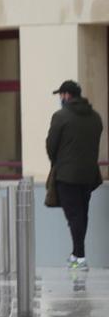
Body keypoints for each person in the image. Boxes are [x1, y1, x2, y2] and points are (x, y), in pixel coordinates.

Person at [47, 79, 105, 269]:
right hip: (89, 174)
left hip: (67, 175)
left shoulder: (60, 116)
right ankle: (77, 253)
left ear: (66, 95)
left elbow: (51, 145)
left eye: (61, 95)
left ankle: (79, 256)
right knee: (82, 213)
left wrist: (59, 161)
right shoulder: (95, 117)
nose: (60, 98)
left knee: (74, 215)